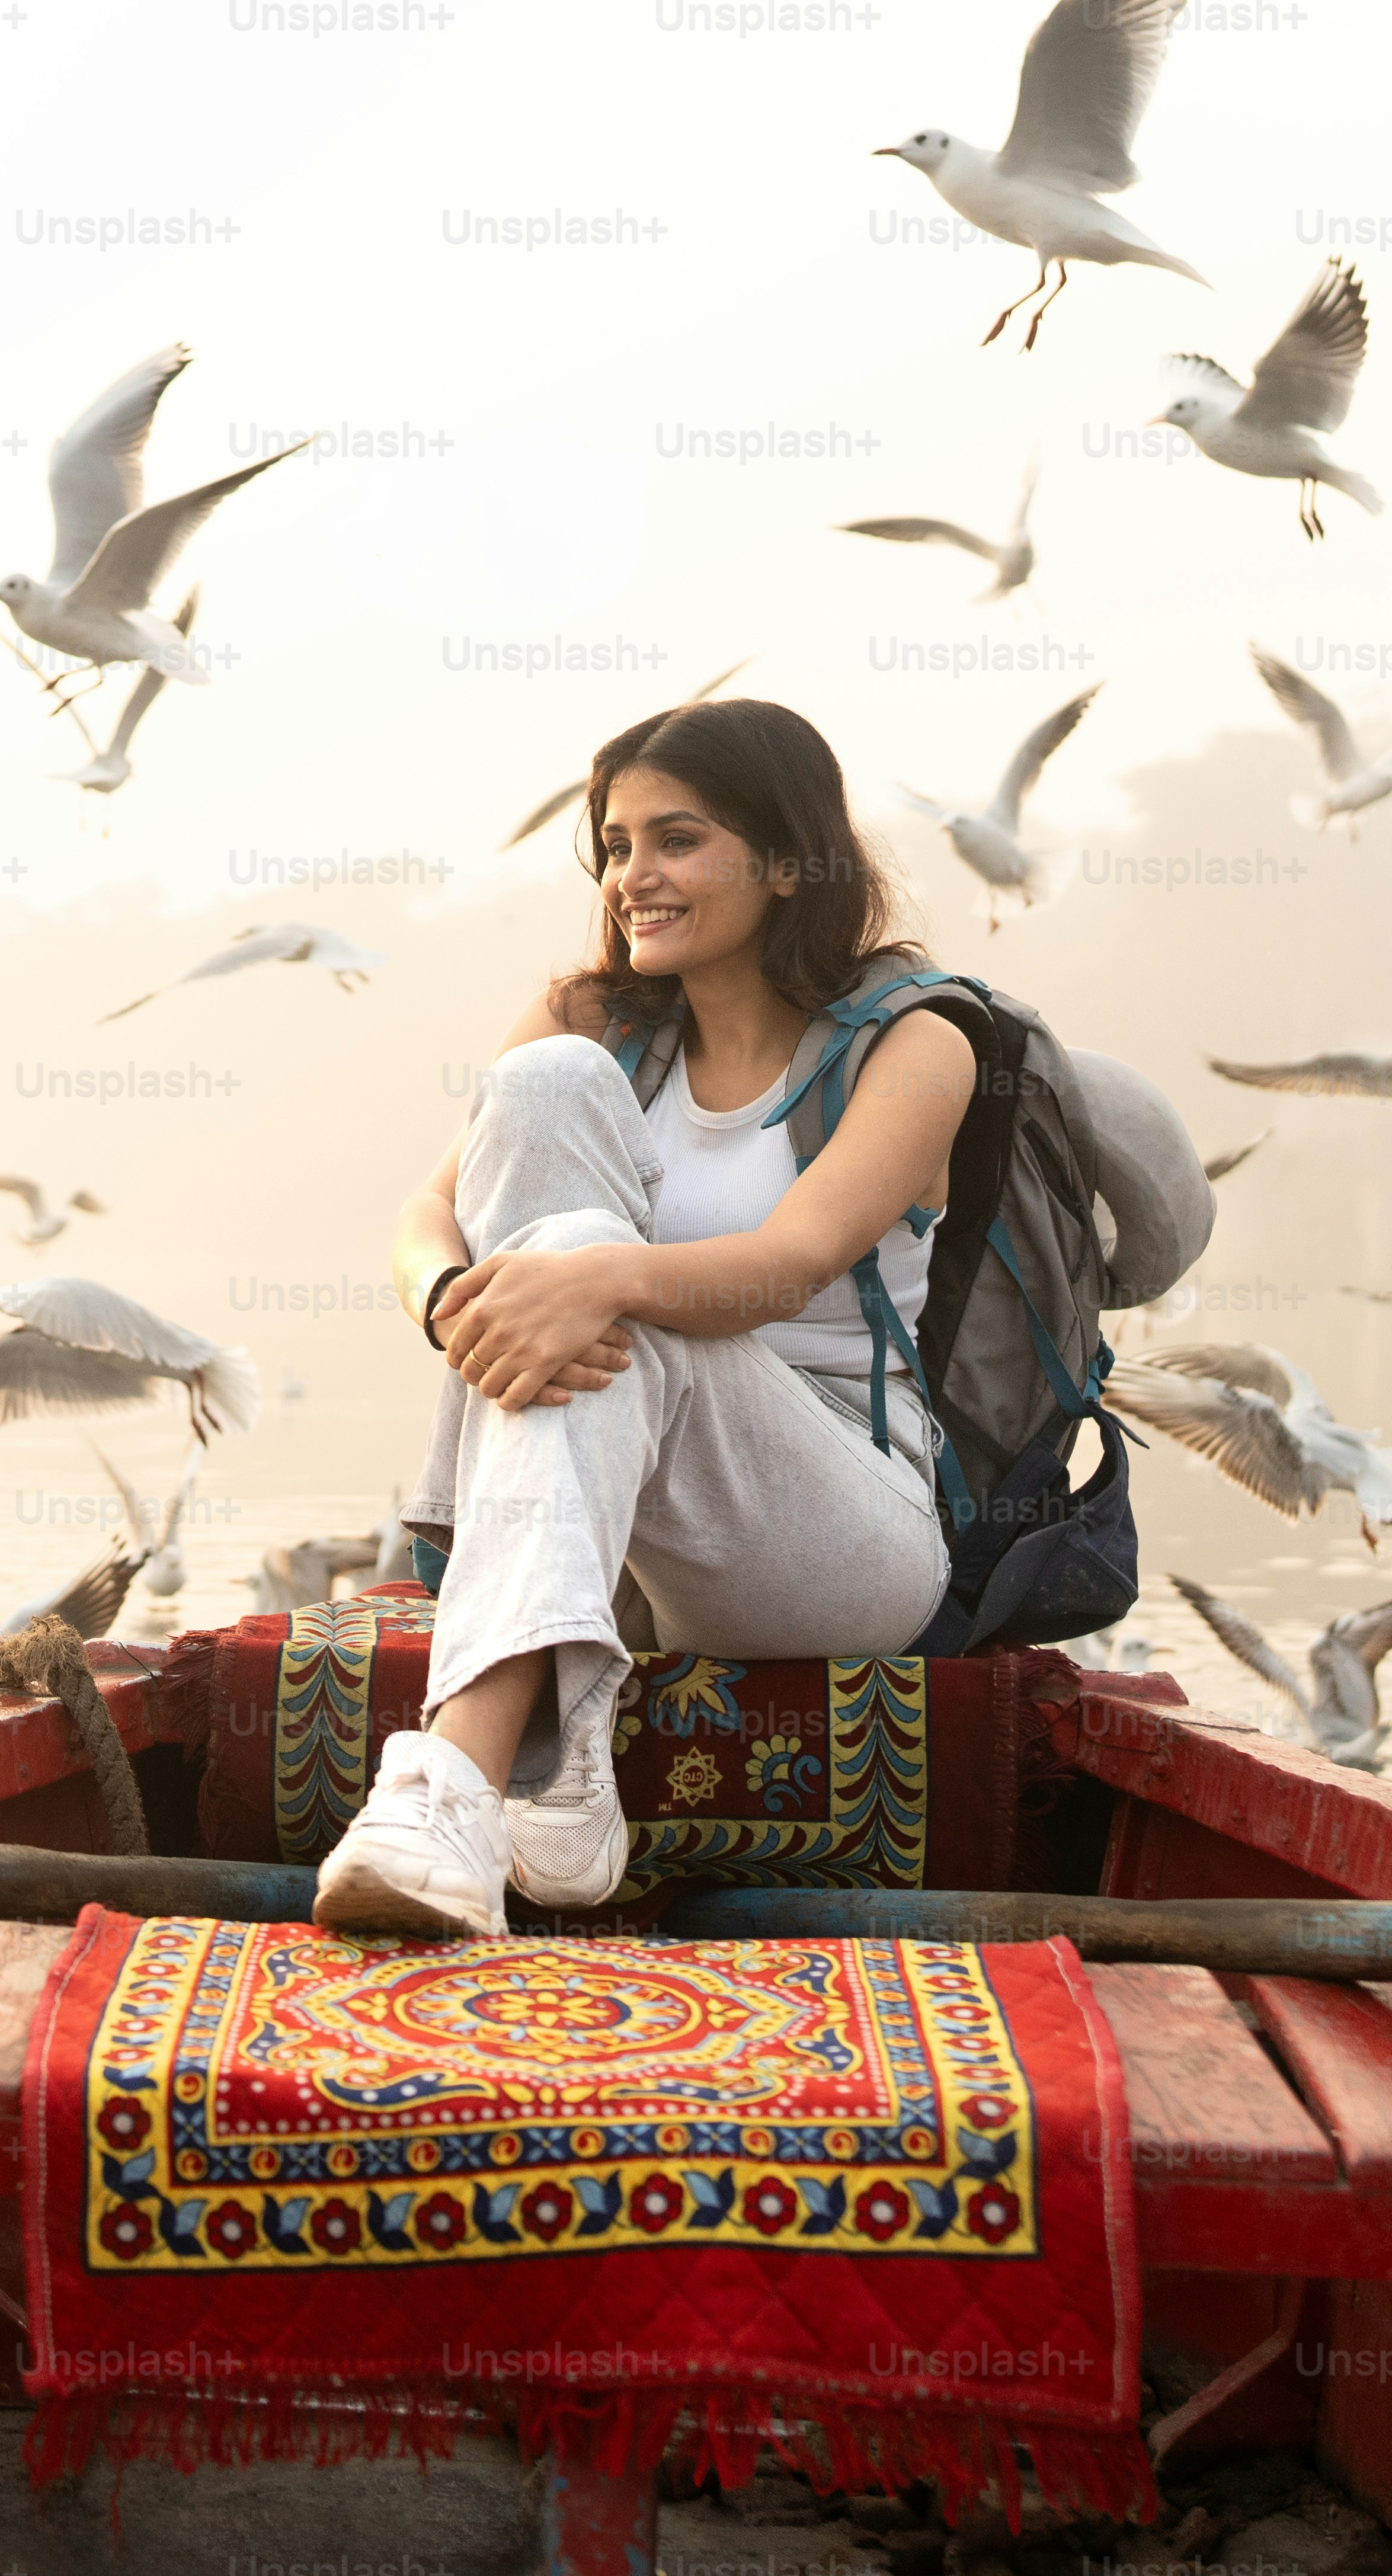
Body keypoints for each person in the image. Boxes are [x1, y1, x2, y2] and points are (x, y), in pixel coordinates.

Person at [309, 698, 974, 1937]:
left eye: (676, 840)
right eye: (614, 847)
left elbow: (785, 1266)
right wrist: (453, 1300)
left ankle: (453, 1778)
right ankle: (558, 1785)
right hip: (604, 1533)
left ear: (785, 860)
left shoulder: (916, 1044)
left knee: (595, 1269)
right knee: (545, 1090)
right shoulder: (591, 1022)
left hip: (835, 1531)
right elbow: (423, 1216)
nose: (632, 879)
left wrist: (598, 1279)